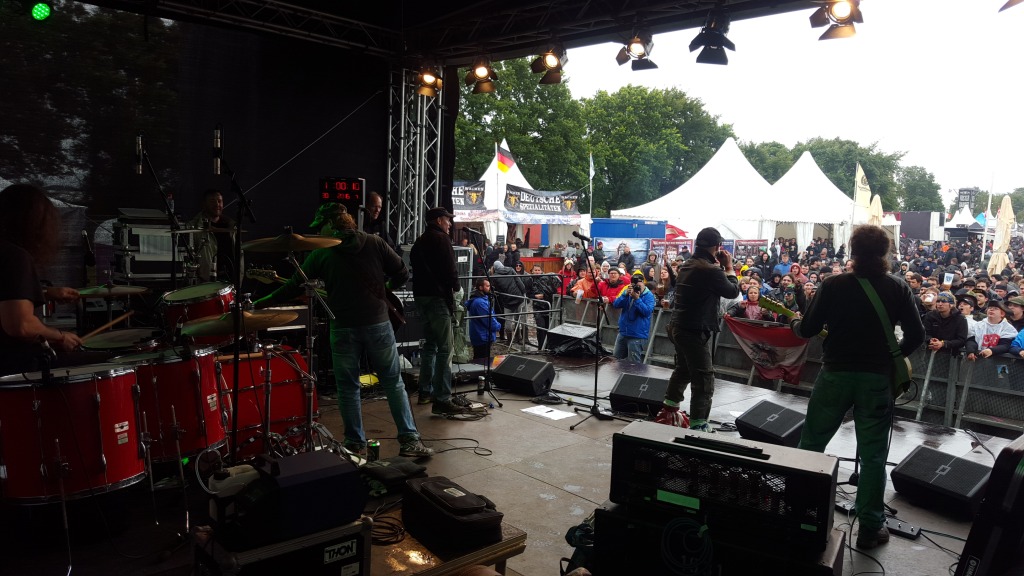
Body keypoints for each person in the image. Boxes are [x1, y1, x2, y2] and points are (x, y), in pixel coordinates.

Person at [253, 203, 433, 458]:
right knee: (393, 383)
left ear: (331, 224)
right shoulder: (375, 242)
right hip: (378, 324)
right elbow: (402, 273)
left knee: (348, 388)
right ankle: (409, 441)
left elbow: (292, 287)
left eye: (321, 226)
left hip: (343, 327)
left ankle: (354, 444)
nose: (318, 233)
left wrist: (260, 303)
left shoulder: (321, 254)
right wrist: (385, 290)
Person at [789, 225, 925, 550]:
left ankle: (800, 515)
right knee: (874, 456)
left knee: (811, 444)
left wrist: (794, 322)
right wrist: (892, 357)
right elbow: (917, 335)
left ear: (852, 250)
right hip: (876, 380)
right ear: (885, 253)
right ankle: (870, 529)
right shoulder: (898, 287)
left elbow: (807, 329)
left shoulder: (832, 284)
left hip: (835, 375)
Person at [654, 227, 740, 433]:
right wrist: (729, 268)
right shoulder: (710, 270)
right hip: (694, 329)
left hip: (678, 326)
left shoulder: (688, 264)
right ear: (717, 246)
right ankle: (699, 424)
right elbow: (732, 291)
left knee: (683, 369)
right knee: (704, 377)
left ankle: (669, 410)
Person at [0, 184, 84, 376]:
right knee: (109, 361)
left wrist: (45, 292)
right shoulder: (16, 256)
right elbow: (20, 325)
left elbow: (6, 295)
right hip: (15, 368)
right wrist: (60, 337)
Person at [410, 206, 474, 416]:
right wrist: (456, 288)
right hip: (438, 299)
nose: (450, 224)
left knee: (430, 346)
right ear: (438, 220)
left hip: (421, 297)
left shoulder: (419, 241)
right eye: (447, 220)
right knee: (446, 349)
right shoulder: (441, 239)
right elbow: (450, 269)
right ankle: (442, 399)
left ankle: (425, 392)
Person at [188, 189, 237, 282]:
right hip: (205, 282)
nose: (217, 204)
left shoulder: (231, 226)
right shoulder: (193, 226)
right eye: (212, 201)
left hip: (230, 279)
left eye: (219, 201)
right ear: (204, 204)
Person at [611, 271, 656, 362]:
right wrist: (625, 295)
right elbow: (616, 304)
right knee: (615, 361)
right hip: (623, 333)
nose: (636, 286)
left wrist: (637, 299)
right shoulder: (628, 292)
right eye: (633, 284)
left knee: (633, 364)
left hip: (637, 335)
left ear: (643, 282)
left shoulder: (649, 296)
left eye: (638, 284)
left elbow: (647, 312)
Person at [465, 278, 500, 360]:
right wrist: (498, 326)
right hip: (482, 336)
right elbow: (488, 320)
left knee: (480, 358)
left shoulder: (481, 300)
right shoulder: (480, 303)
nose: (489, 288)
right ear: (481, 287)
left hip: (481, 334)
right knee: (482, 359)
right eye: (487, 286)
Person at [362, 191, 401, 255]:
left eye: (379, 207)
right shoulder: (356, 223)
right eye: (374, 206)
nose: (377, 210)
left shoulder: (380, 224)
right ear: (366, 205)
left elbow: (390, 246)